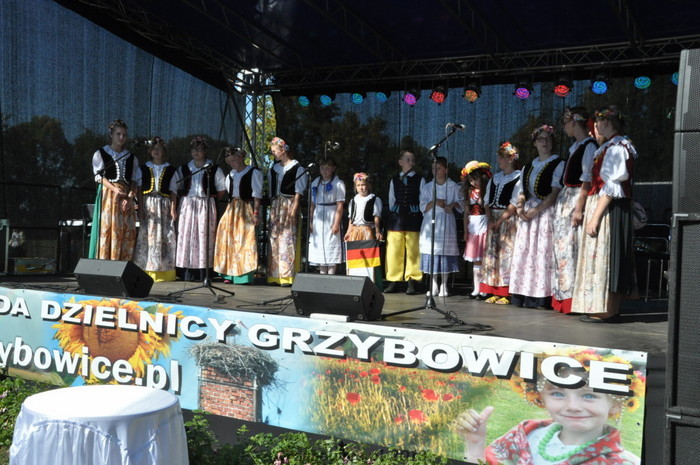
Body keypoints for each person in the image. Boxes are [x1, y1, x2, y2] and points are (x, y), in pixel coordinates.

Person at [454, 355, 642, 465]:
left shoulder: (622, 462)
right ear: (541, 397)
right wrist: (475, 446)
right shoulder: (525, 435)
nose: (572, 406)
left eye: (589, 396)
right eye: (558, 394)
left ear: (615, 403)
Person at [573, 106, 638, 323]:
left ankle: (608, 310)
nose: (595, 126)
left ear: (606, 122)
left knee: (608, 256)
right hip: (610, 205)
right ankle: (607, 308)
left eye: (597, 122)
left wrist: (595, 217)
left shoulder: (617, 148)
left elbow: (611, 187)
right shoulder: (613, 146)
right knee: (610, 257)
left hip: (610, 209)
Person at [509, 125, 564, 308]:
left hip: (545, 213)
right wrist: (520, 207)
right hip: (527, 213)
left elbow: (554, 193)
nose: (545, 142)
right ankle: (522, 294)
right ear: (534, 143)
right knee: (525, 252)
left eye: (548, 139)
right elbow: (522, 192)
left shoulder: (558, 163)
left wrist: (536, 210)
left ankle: (540, 297)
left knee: (541, 253)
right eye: (541, 139)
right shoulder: (528, 166)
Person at [552, 107, 599, 313]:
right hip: (566, 198)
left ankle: (573, 299)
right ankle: (563, 295)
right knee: (563, 249)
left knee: (571, 248)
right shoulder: (576, 146)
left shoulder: (589, 146)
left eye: (565, 122)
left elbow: (587, 179)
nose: (565, 127)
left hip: (575, 199)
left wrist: (579, 208)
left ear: (573, 122)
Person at [175, 136, 226, 282]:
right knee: (187, 236)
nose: (196, 152)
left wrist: (209, 199)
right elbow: (178, 187)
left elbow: (221, 189)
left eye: (200, 149)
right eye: (194, 149)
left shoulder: (213, 168)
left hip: (205, 204)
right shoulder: (184, 168)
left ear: (205, 151)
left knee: (204, 237)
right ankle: (186, 271)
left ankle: (204, 271)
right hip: (188, 204)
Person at [90, 119, 141, 261]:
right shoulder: (101, 153)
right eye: (118, 134)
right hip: (109, 195)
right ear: (111, 135)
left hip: (126, 197)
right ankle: (106, 263)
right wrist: (114, 189)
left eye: (124, 134)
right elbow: (99, 177)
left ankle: (123, 264)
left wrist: (130, 196)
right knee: (108, 228)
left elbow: (134, 180)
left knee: (126, 231)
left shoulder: (131, 157)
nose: (121, 137)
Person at [213, 147, 262, 284]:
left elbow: (257, 195)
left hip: (246, 207)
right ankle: (229, 273)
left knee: (244, 240)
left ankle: (243, 275)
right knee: (228, 238)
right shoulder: (231, 175)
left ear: (240, 158)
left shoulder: (253, 172)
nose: (231, 164)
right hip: (232, 208)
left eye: (233, 161)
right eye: (229, 162)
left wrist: (256, 213)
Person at [480, 142, 521, 305]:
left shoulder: (518, 177)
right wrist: (490, 219)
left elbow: (514, 203)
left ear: (510, 159)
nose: (498, 160)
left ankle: (505, 292)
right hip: (493, 218)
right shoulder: (495, 178)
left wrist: (499, 221)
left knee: (506, 255)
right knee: (492, 255)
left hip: (507, 219)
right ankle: (493, 289)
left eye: (501, 157)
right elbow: (486, 201)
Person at [133, 137, 179, 282]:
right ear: (149, 151)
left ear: (164, 151)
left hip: (164, 205)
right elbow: (139, 190)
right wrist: (140, 208)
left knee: (165, 237)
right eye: (153, 149)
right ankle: (147, 269)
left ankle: (164, 272)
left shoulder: (171, 170)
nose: (156, 151)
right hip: (149, 205)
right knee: (148, 237)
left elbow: (173, 192)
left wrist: (173, 209)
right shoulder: (143, 169)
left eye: (159, 149)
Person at [419, 157, 463, 297]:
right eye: (433, 168)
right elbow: (422, 206)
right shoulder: (427, 187)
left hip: (446, 222)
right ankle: (433, 285)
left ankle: (444, 285)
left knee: (444, 253)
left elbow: (461, 203)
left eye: (438, 168)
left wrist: (452, 205)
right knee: (432, 251)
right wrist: (435, 201)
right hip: (431, 222)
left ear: (446, 170)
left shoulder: (453, 186)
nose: (435, 171)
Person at [267, 136, 308, 286]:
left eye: (274, 150)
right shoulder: (274, 169)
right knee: (274, 239)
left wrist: (294, 208)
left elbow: (299, 191)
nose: (273, 153)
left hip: (289, 204)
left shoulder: (297, 168)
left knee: (287, 238)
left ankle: (287, 275)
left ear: (283, 150)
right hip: (276, 206)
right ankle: (274, 275)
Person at [384, 150, 425, 295]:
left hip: (413, 218)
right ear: (400, 162)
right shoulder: (394, 179)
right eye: (408, 160)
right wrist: (395, 212)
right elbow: (392, 199)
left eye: (413, 160)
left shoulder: (420, 179)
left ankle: (412, 280)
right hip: (396, 219)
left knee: (413, 250)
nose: (411, 162)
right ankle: (393, 280)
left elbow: (422, 199)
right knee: (394, 250)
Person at [308, 157, 346, 274]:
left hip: (331, 215)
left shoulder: (338, 183)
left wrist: (336, 223)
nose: (324, 170)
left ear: (333, 168)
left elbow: (340, 205)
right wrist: (310, 221)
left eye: (327, 168)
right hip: (318, 216)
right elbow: (312, 204)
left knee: (331, 245)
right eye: (322, 168)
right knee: (320, 246)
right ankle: (322, 275)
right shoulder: (315, 183)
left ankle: (331, 275)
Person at [344, 172, 383, 282]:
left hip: (367, 231)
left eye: (363, 185)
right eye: (358, 185)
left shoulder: (374, 199)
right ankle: (355, 280)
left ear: (368, 185)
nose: (361, 188)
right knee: (355, 258)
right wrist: (348, 232)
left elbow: (376, 217)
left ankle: (369, 281)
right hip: (354, 232)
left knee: (367, 258)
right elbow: (351, 219)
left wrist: (377, 231)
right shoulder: (353, 201)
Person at [461, 160, 492, 299]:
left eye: (476, 178)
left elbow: (488, 210)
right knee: (476, 260)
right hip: (473, 225)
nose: (474, 182)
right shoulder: (469, 193)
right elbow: (466, 213)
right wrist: (465, 231)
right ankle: (476, 288)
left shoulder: (487, 191)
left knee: (484, 258)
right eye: (471, 180)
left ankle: (485, 288)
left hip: (484, 224)